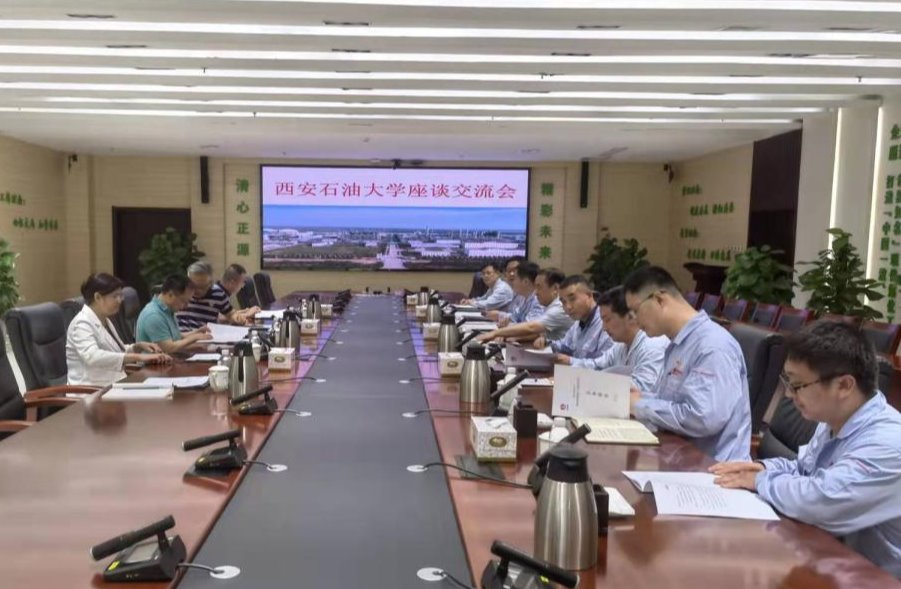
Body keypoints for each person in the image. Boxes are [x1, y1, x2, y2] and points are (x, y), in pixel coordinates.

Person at [711, 322, 900, 577]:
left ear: (844, 385)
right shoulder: (836, 418)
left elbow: (821, 501)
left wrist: (760, 481)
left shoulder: (889, 444)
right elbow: (805, 469)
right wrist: (762, 468)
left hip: (879, 577)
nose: (789, 395)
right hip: (834, 559)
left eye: (798, 385)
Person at [623, 266, 750, 462]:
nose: (634, 320)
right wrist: (641, 397)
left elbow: (703, 419)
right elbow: (675, 402)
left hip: (713, 469)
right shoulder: (678, 344)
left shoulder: (712, 346)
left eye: (635, 311)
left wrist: (640, 405)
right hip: (678, 457)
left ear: (659, 300)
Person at [66, 273, 172, 386]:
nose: (120, 300)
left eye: (121, 295)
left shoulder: (105, 319)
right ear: (97, 297)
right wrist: (139, 357)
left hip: (113, 383)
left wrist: (137, 347)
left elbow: (115, 351)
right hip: (91, 390)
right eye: (115, 296)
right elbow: (93, 357)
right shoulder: (81, 323)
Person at [570, 286, 669, 393]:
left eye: (607, 320)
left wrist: (594, 383)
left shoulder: (652, 345)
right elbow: (596, 365)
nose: (604, 328)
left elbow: (642, 388)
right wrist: (568, 369)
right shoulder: (620, 346)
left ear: (630, 316)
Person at [477, 267, 573, 343]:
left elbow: (531, 327)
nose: (536, 292)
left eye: (539, 287)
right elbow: (537, 331)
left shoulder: (559, 308)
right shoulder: (547, 304)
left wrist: (496, 333)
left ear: (555, 288)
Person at [535, 275, 613, 362]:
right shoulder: (577, 323)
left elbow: (604, 363)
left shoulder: (606, 322)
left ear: (589, 295)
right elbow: (564, 346)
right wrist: (547, 343)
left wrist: (570, 361)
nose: (568, 307)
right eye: (564, 302)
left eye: (572, 299)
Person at [136, 274, 212, 354]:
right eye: (183, 301)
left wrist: (197, 332)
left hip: (169, 358)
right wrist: (194, 338)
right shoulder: (153, 315)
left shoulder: (168, 310)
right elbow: (168, 348)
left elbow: (175, 337)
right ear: (170, 295)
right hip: (154, 361)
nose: (186, 306)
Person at [177, 262, 258, 331]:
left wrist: (238, 318)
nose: (197, 291)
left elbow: (230, 314)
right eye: (193, 286)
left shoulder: (218, 294)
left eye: (202, 287)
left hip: (204, 339)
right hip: (180, 339)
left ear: (210, 283)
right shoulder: (178, 291)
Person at [487, 261, 544, 327]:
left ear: (525, 282)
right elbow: (515, 317)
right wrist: (500, 315)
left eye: (515, 279)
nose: (512, 282)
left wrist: (506, 327)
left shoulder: (538, 301)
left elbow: (529, 327)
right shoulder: (524, 298)